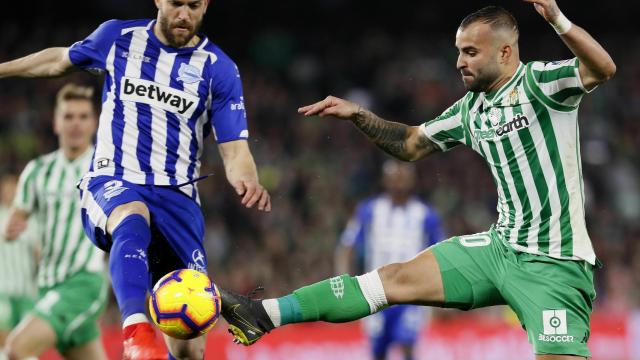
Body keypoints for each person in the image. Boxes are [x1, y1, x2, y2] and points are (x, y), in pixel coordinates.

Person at [219, 2, 616, 359]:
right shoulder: (470, 110)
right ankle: (261, 315)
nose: (460, 61)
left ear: (505, 52)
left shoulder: (540, 84)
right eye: (459, 52)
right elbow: (411, 143)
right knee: (392, 280)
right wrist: (361, 115)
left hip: (554, 263)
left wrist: (558, 20)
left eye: (471, 52)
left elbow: (602, 68)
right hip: (498, 249)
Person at [0, 0, 271, 359]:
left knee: (189, 346)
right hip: (114, 179)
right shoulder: (118, 37)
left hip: (178, 200)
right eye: (176, 4)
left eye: (193, 6)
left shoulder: (218, 69)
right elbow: (59, 60)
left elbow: (235, 150)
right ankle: (136, 328)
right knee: (131, 215)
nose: (184, 15)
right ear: (159, 0)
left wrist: (247, 179)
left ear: (205, 5)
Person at [2, 85, 107, 360]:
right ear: (56, 122)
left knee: (15, 349)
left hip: (83, 282)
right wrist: (12, 228)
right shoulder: (38, 171)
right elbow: (17, 216)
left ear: (94, 122)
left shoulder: (106, 169)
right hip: (47, 285)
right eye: (69, 116)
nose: (76, 123)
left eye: (83, 116)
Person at [335, 160, 443, 360]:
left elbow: (441, 253)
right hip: (376, 290)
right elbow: (347, 246)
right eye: (394, 176)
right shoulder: (369, 210)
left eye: (404, 177)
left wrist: (438, 292)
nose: (399, 181)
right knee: (378, 351)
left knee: (407, 344)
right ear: (384, 180)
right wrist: (345, 281)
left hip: (412, 292)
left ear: (413, 181)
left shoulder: (426, 215)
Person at [0, 174, 38, 358]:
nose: (11, 192)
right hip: (2, 290)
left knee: (25, 345)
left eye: (14, 188)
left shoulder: (32, 221)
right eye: (7, 188)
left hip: (27, 291)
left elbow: (39, 254)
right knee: (5, 339)